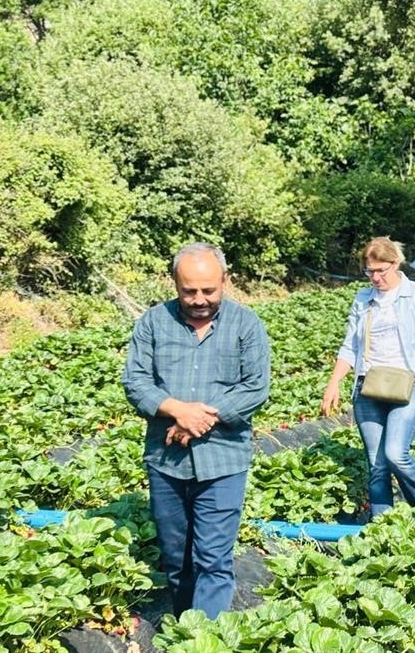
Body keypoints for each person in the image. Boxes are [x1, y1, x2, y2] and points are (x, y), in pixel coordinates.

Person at [122, 242, 271, 619]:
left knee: (213, 560)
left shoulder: (246, 324)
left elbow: (255, 387)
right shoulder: (154, 322)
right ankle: (185, 624)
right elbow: (136, 382)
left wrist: (202, 420)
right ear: (174, 283)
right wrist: (176, 410)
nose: (199, 299)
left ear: (225, 280)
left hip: (223, 460)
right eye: (189, 291)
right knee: (176, 558)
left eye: (208, 290)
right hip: (165, 460)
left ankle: (202, 640)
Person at [320, 237, 415, 517]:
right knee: (377, 464)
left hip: (408, 385)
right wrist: (334, 382)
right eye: (369, 272)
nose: (375, 278)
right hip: (368, 386)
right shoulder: (363, 300)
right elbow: (350, 345)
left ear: (395, 264)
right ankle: (381, 525)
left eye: (381, 271)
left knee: (395, 453)